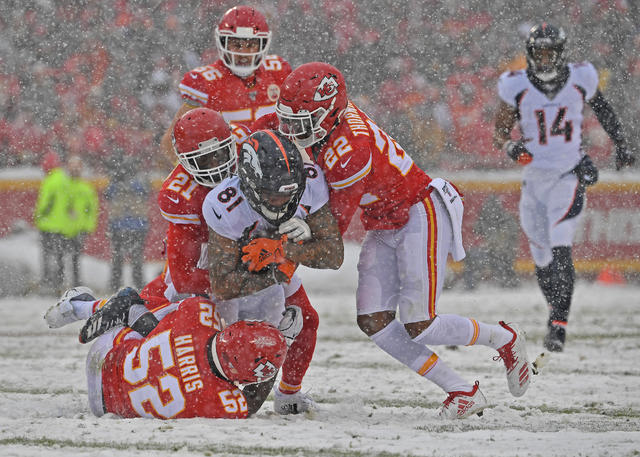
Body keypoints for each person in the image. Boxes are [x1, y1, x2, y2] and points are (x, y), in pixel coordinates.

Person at [253, 62, 532, 419]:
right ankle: (462, 391)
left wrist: (288, 241)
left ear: (329, 112)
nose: (291, 129)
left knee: (422, 324)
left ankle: (504, 339)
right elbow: (268, 130)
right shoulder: (328, 123)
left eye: (301, 122)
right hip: (384, 220)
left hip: (419, 211)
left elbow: (331, 233)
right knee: (373, 319)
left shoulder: (350, 147)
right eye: (287, 118)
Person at [493, 23, 636, 352]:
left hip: (567, 174)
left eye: (550, 52)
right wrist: (510, 147)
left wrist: (622, 145)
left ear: (560, 53)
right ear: (530, 54)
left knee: (560, 246)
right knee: (541, 257)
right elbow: (500, 132)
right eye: (539, 52)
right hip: (534, 180)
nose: (544, 59)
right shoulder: (514, 85)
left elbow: (604, 111)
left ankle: (558, 326)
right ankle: (553, 312)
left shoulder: (581, 77)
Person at [203, 129, 344, 414]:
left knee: (306, 320)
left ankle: (289, 395)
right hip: (228, 272)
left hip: (273, 264)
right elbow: (222, 285)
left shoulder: (311, 182)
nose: (281, 202)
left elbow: (334, 255)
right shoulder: (226, 205)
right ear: (250, 184)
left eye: (289, 192)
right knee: (226, 341)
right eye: (271, 194)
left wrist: (286, 252)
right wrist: (278, 267)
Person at [43, 286, 292, 419]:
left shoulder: (200, 313)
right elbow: (251, 404)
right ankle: (124, 308)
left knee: (168, 308)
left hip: (108, 354)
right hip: (107, 407)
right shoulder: (217, 400)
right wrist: (277, 358)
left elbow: (179, 304)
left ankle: (94, 306)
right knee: (167, 324)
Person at [159, 5, 291, 165]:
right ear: (223, 42)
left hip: (277, 169)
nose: (243, 52)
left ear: (263, 44)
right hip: (229, 176)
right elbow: (170, 144)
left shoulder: (279, 71)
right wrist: (203, 178)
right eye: (236, 45)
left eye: (250, 45)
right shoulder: (205, 83)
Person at [104, 156, 151, 291]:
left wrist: (117, 180)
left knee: (122, 259)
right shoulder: (138, 182)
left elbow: (108, 195)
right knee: (132, 260)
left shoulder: (120, 183)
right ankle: (136, 284)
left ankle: (117, 285)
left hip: (122, 226)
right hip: (134, 226)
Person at [34, 151, 69, 294]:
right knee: (60, 255)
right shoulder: (65, 179)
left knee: (47, 255)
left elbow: (45, 204)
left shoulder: (50, 181)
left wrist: (38, 216)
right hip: (62, 225)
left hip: (48, 225)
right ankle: (59, 282)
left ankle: (47, 281)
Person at [66, 154, 99, 286]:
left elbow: (92, 209)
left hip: (79, 229)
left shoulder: (86, 188)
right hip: (63, 228)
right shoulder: (63, 186)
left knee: (75, 258)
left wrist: (88, 227)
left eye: (77, 166)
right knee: (60, 257)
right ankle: (60, 282)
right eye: (72, 166)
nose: (74, 169)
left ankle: (75, 282)